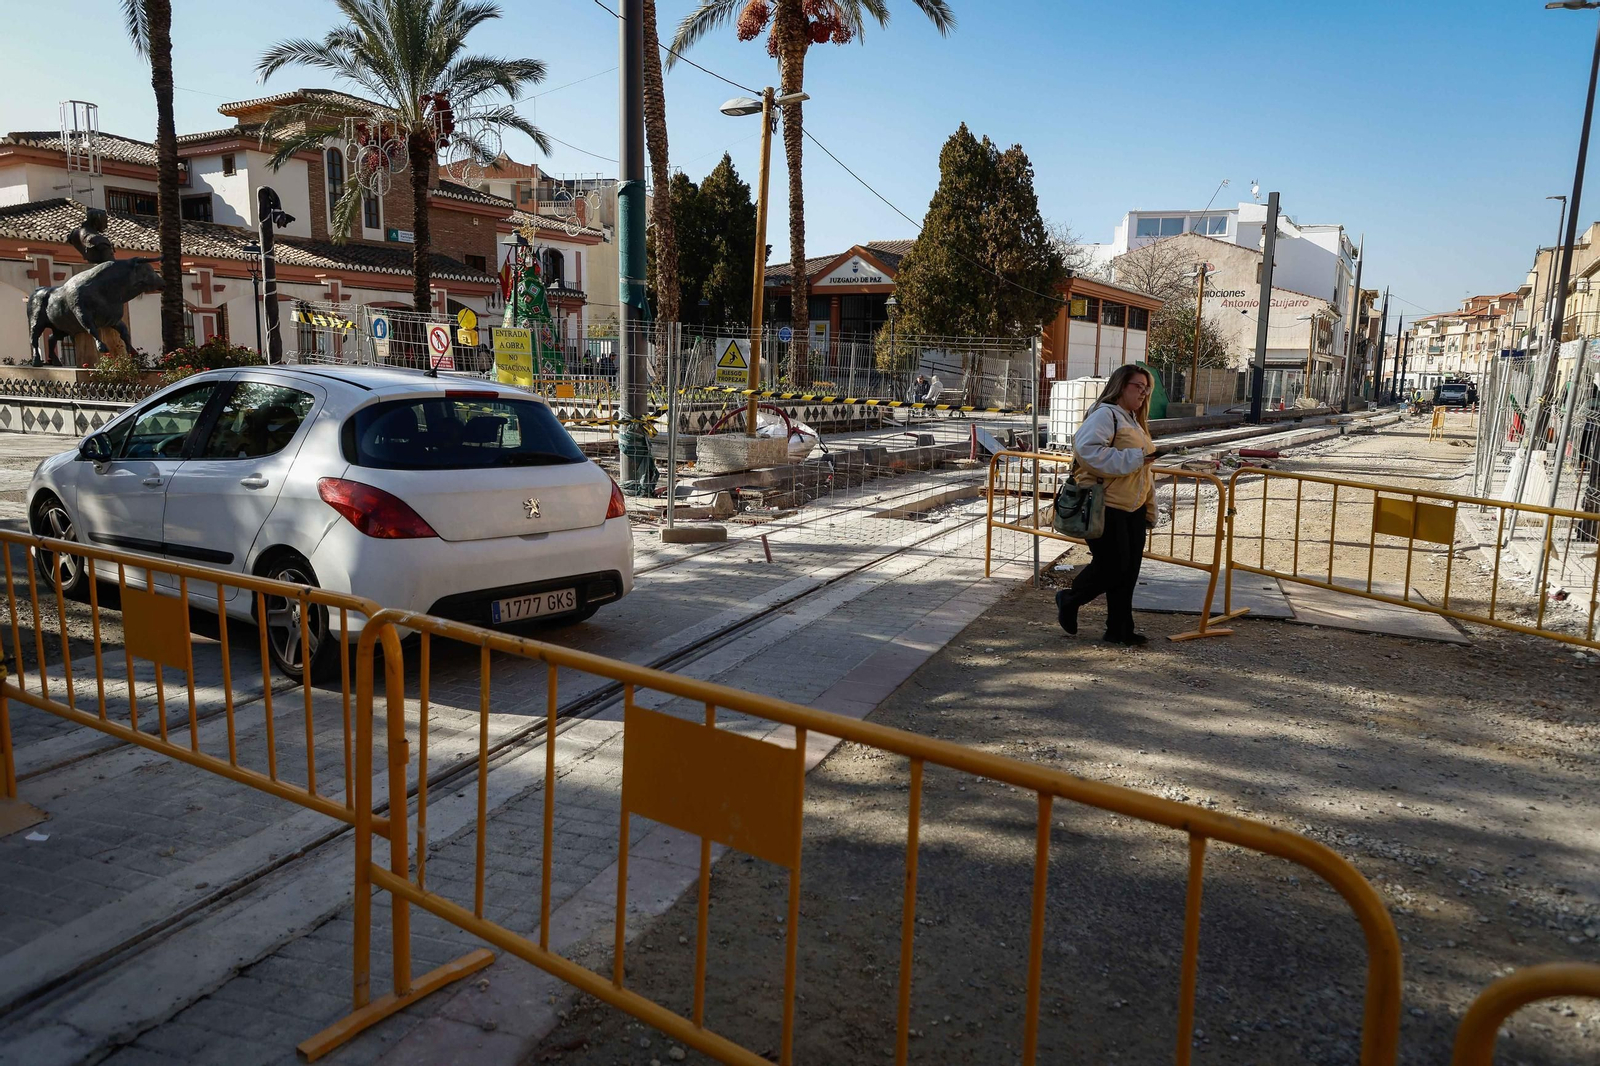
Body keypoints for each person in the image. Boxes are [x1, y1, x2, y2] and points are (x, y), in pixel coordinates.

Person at [1055, 365, 1159, 646]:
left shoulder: (1133, 420)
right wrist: (1135, 459)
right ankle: (1071, 598)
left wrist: (1149, 507)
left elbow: (1144, 470)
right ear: (1121, 386)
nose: (1143, 393)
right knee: (1114, 566)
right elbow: (1087, 451)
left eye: (1146, 388)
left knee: (1128, 571)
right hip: (1106, 504)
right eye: (1138, 386)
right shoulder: (1105, 414)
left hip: (1132, 508)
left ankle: (1120, 628)